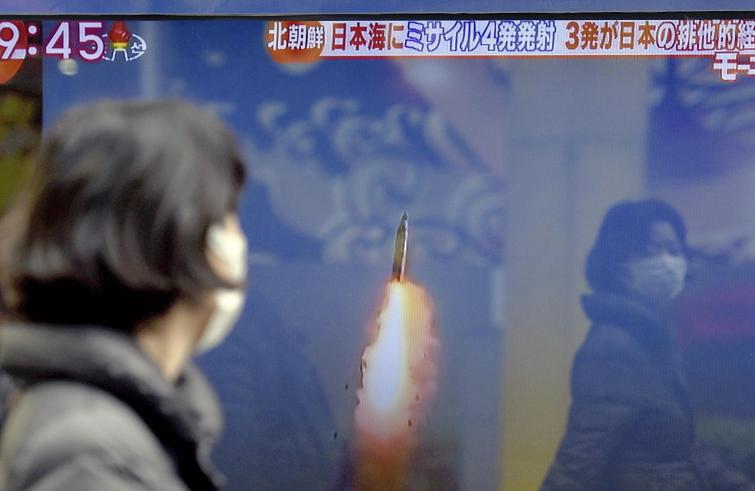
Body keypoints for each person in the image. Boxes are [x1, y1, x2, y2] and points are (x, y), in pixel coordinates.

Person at [0, 100, 248, 491]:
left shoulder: (100, 426)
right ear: (176, 235)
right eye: (226, 215)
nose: (238, 240)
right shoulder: (90, 452)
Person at [541, 199, 754, 490]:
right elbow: (580, 459)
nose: (666, 262)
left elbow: (682, 450)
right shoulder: (614, 347)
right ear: (617, 263)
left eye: (674, 250)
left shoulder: (654, 339)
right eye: (649, 251)